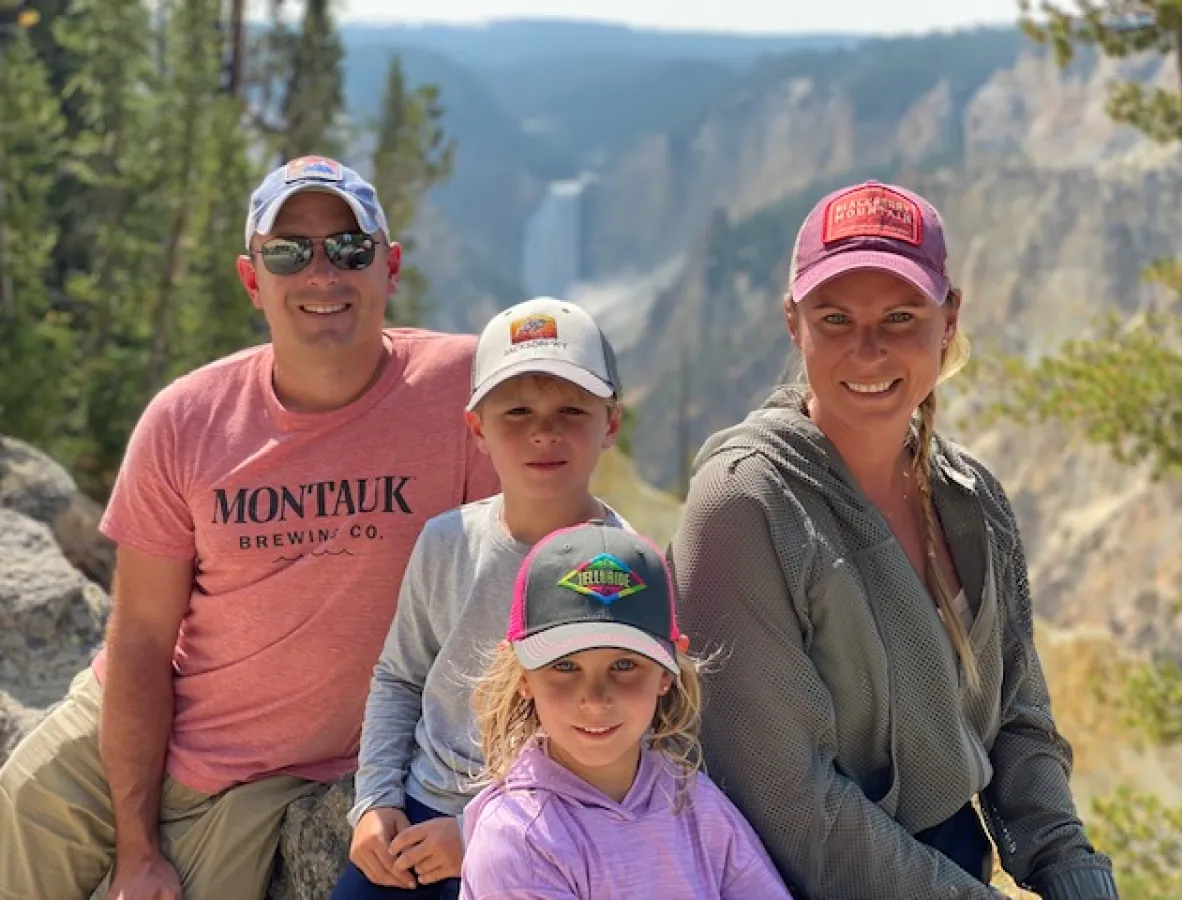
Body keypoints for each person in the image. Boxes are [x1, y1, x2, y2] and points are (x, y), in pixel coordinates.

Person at [0, 155, 501, 900]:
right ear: (251, 279)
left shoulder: (466, 393)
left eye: (350, 248)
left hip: (264, 781)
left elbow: (529, 564)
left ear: (390, 267)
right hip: (121, 730)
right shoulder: (185, 420)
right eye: (289, 252)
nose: (322, 273)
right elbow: (140, 638)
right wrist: (137, 847)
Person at [668, 180, 1120, 900]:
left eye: (901, 317)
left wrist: (1073, 870)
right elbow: (791, 804)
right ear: (793, 324)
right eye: (836, 318)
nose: (868, 350)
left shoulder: (970, 498)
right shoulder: (746, 505)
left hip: (947, 871)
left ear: (949, 319)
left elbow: (1019, 719)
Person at [332, 296, 632, 899]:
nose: (544, 431)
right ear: (478, 429)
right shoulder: (446, 542)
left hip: (551, 832)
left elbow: (621, 741)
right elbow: (401, 677)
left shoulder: (622, 569)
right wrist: (375, 801)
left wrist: (482, 833)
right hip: (420, 816)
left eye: (572, 410)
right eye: (516, 411)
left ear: (610, 426)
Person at [457, 522, 793, 899]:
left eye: (624, 665)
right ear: (523, 677)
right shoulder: (518, 836)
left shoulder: (692, 796)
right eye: (565, 666)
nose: (596, 699)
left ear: (666, 672)